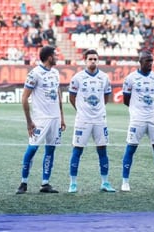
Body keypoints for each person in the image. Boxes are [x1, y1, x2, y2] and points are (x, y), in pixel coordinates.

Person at [121, 50, 154, 192]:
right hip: (137, 119)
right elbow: (126, 100)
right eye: (147, 61)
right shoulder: (130, 78)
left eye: (151, 61)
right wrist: (137, 109)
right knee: (131, 148)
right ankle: (125, 182)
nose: (150, 63)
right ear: (140, 62)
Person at [16, 46, 66, 194]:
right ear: (49, 57)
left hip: (55, 119)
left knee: (51, 149)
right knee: (32, 149)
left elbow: (58, 94)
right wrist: (29, 121)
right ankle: (23, 183)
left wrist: (62, 117)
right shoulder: (34, 74)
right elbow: (24, 98)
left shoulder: (56, 73)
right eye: (55, 55)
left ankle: (45, 183)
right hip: (40, 120)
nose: (57, 57)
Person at [67, 49, 115, 193]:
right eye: (90, 59)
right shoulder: (78, 78)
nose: (93, 61)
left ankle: (105, 183)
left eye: (95, 59)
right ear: (85, 61)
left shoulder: (104, 77)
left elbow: (106, 97)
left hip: (100, 120)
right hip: (83, 120)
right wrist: (81, 110)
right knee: (77, 150)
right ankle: (73, 183)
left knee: (102, 150)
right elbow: (71, 97)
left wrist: (98, 110)